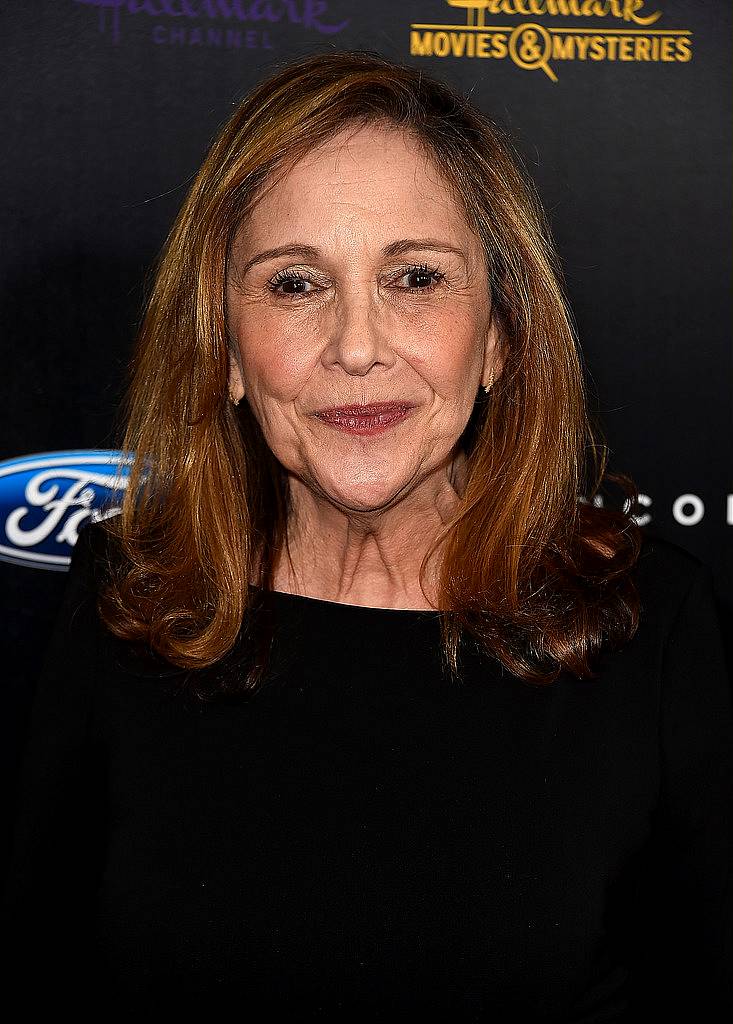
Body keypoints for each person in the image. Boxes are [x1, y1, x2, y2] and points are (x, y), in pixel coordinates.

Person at [3, 50, 732, 1020]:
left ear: (501, 337)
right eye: (296, 284)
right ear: (223, 346)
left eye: (416, 277)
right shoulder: (129, 597)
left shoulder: (652, 630)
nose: (356, 346)